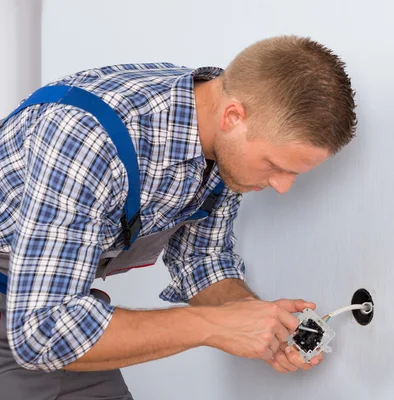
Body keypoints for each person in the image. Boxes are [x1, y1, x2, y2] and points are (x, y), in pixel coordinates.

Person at [0, 35, 357, 399]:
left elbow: (199, 260)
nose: (283, 186)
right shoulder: (87, 137)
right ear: (233, 116)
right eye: (275, 166)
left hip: (50, 302)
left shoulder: (218, 132)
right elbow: (41, 333)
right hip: (33, 315)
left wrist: (256, 322)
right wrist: (214, 325)